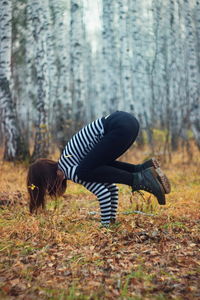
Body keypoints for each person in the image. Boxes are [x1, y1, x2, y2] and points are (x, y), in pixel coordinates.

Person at [27, 111, 171, 226]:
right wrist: (111, 221)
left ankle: (141, 179)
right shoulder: (69, 160)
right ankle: (143, 168)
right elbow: (111, 189)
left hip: (117, 126)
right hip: (127, 122)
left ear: (46, 180)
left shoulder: (69, 169)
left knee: (84, 172)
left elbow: (102, 193)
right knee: (99, 166)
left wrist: (104, 226)